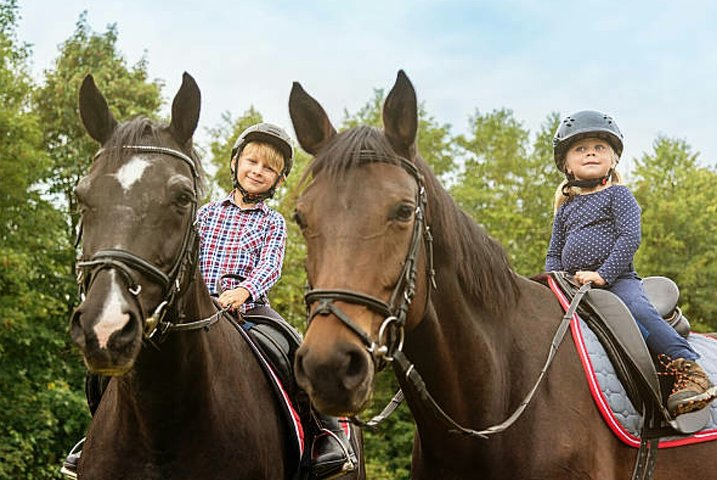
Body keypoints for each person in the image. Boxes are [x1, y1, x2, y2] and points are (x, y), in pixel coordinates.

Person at [195, 122, 356, 478]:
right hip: (198, 306)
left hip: (249, 310)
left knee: (294, 351)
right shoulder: (205, 213)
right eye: (252, 161)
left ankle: (327, 434)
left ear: (279, 180)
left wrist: (244, 291)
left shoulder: (273, 222)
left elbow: (271, 266)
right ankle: (97, 431)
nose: (258, 171)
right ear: (235, 162)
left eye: (269, 168)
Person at [546, 110, 717, 417]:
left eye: (599, 148)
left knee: (637, 311)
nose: (590, 153)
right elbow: (554, 253)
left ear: (612, 159)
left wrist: (603, 275)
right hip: (573, 288)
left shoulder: (618, 196)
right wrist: (550, 283)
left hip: (618, 281)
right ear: (566, 164)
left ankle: (689, 368)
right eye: (581, 149)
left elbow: (629, 238)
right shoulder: (566, 209)